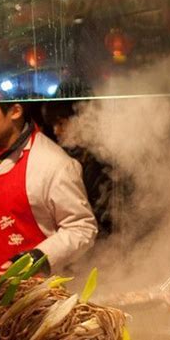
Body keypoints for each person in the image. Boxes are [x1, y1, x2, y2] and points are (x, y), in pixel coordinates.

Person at [0, 96, 97, 278]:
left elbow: (81, 228)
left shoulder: (52, 163)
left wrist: (36, 258)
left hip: (31, 297)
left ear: (15, 111)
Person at [41, 100, 114, 238]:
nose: (56, 130)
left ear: (81, 120)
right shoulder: (63, 156)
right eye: (53, 125)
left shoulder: (101, 159)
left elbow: (105, 216)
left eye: (61, 123)